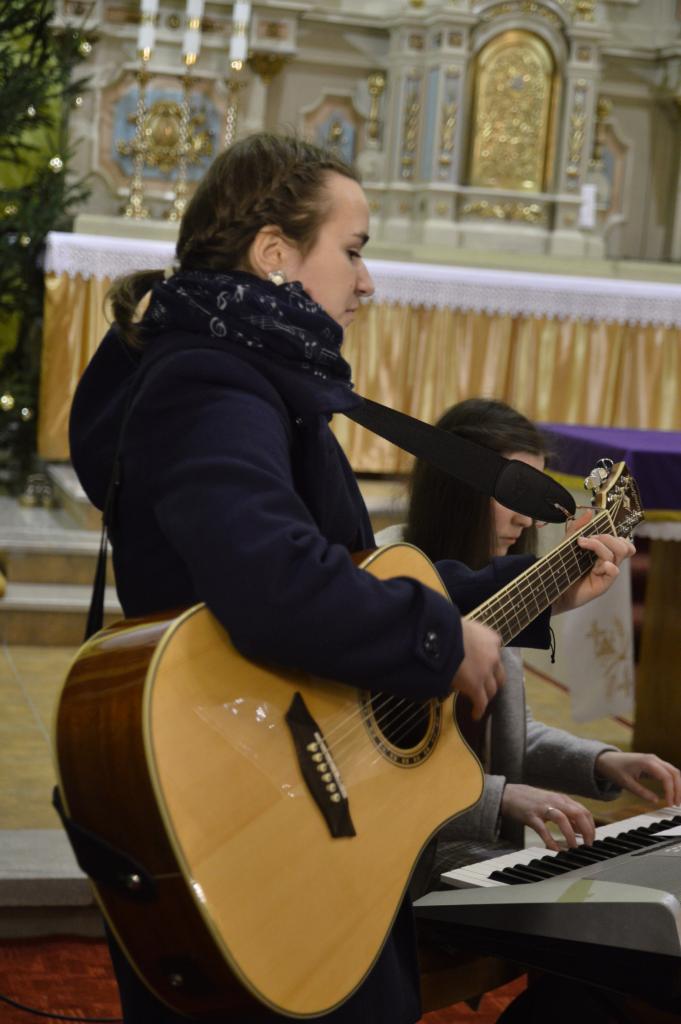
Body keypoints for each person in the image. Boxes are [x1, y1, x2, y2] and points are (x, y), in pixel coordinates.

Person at [68, 134, 634, 1024]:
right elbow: (273, 580)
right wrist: (439, 637)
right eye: (353, 249)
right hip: (245, 784)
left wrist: (535, 586)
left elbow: (352, 573)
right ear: (274, 252)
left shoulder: (249, 375)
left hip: (281, 766)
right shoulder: (211, 382)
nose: (366, 282)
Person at [386, 398, 681, 894]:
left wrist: (602, 761)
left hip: (479, 843)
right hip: (404, 855)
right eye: (514, 494)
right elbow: (379, 766)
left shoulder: (499, 589)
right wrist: (499, 799)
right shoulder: (388, 577)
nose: (530, 520)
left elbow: (504, 733)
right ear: (456, 487)